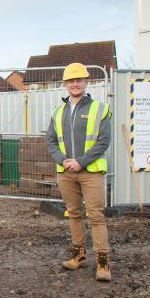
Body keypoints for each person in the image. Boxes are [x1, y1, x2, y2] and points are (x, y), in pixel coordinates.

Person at [46, 62, 112, 281]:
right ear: (65, 84)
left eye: (79, 80)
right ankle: (79, 256)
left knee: (96, 216)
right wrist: (63, 161)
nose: (75, 84)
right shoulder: (57, 112)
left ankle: (103, 264)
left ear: (86, 82)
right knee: (73, 213)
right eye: (71, 81)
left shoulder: (99, 109)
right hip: (65, 172)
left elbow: (103, 141)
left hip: (90, 171)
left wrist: (81, 162)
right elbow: (51, 141)